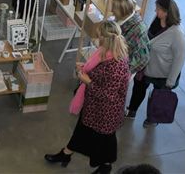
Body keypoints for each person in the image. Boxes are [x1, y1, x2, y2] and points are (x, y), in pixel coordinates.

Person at [45, 20, 130, 173]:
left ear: (105, 39)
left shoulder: (116, 65)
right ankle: (66, 153)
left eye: (98, 36)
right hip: (93, 107)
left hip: (105, 113)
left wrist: (88, 81)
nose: (95, 39)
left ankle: (104, 166)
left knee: (103, 140)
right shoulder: (106, 52)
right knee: (82, 130)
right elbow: (98, 72)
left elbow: (108, 95)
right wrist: (84, 68)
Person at [125, 0, 185, 127]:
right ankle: (132, 110)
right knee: (138, 87)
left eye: (158, 9)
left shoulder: (177, 34)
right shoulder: (157, 20)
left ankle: (153, 118)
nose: (155, 11)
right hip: (146, 67)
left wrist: (170, 81)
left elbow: (179, 58)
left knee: (158, 96)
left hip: (162, 73)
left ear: (167, 12)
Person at [112, 0, 150, 74]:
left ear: (122, 11)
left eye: (114, 9)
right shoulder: (121, 19)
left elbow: (143, 58)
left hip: (122, 68)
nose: (111, 10)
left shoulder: (138, 30)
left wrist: (123, 71)